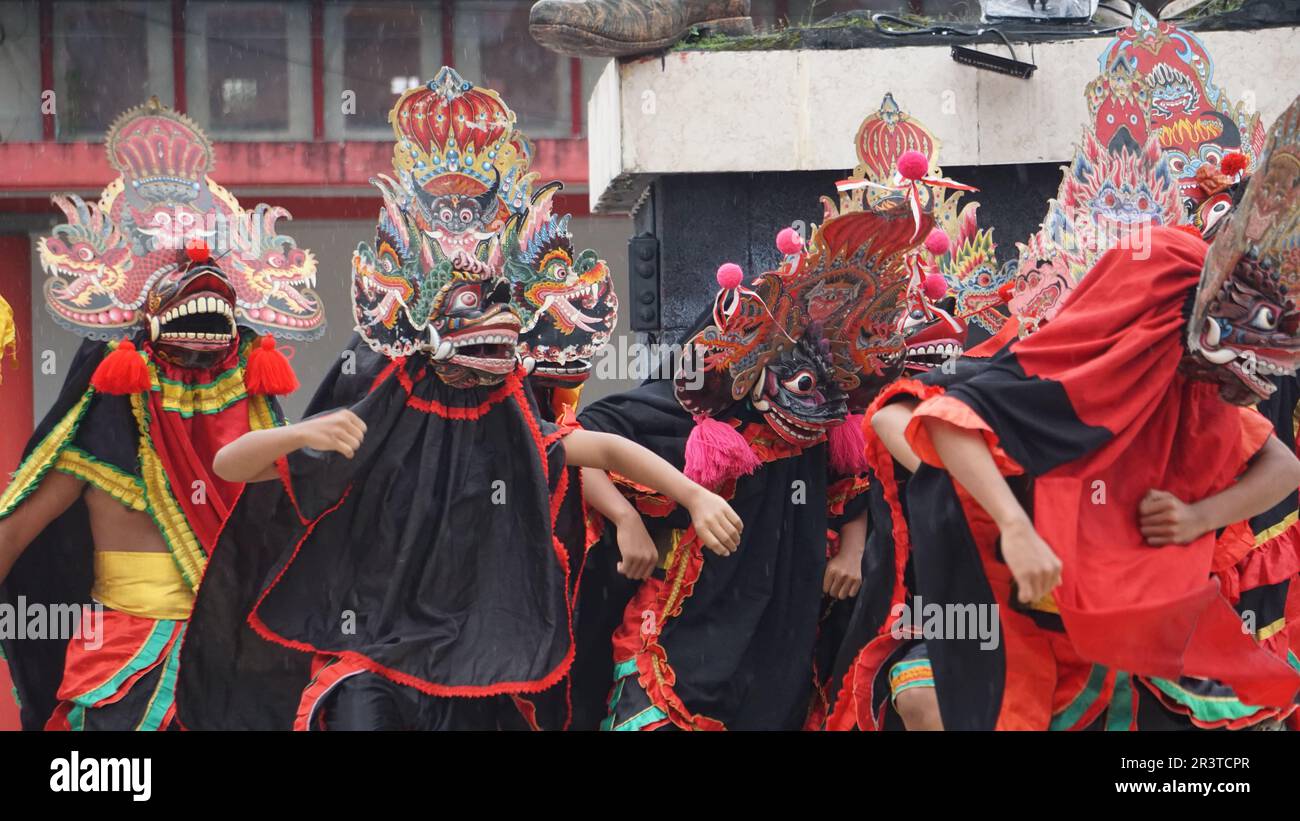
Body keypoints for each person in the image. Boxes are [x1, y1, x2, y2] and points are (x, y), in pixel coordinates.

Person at [0, 100, 324, 730]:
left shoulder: (255, 418)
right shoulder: (99, 433)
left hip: (238, 665)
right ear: (137, 341)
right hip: (125, 669)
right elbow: (10, 538)